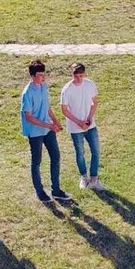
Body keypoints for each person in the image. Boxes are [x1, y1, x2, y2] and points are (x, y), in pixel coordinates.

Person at [20, 61, 71, 203]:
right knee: (36, 161)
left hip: (48, 128)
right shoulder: (27, 93)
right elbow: (28, 116)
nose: (43, 77)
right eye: (40, 75)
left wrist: (55, 121)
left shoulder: (43, 87)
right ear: (32, 76)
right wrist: (48, 125)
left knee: (56, 156)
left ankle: (56, 190)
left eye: (44, 74)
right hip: (35, 132)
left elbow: (47, 107)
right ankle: (40, 191)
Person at [60, 63, 105, 191]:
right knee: (80, 153)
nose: (79, 79)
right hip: (75, 127)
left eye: (81, 75)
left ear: (84, 74)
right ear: (72, 75)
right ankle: (84, 177)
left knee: (95, 151)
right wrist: (79, 122)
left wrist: (89, 118)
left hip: (90, 125)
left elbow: (94, 102)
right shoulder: (67, 90)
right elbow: (64, 110)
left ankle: (94, 179)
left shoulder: (89, 84)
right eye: (76, 76)